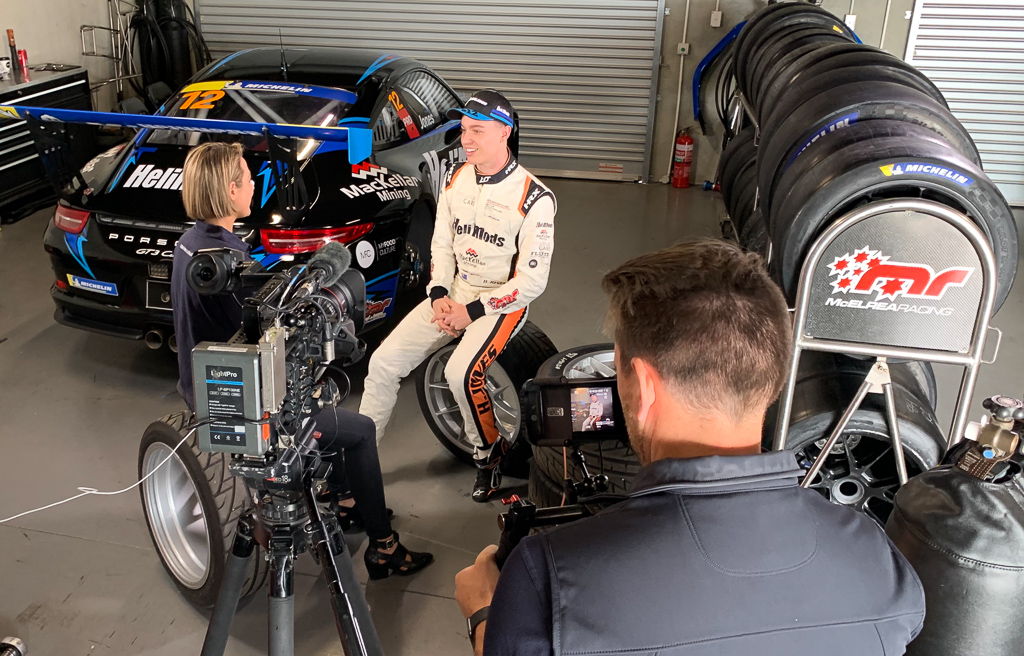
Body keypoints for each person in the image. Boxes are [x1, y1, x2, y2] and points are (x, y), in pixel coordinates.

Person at [455, 240, 925, 655]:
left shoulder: (548, 578)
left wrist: (484, 615)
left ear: (644, 385)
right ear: (774, 377)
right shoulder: (874, 553)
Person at [171, 140, 432, 579]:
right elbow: (260, 338)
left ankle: (346, 500)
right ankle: (383, 547)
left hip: (202, 388)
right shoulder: (228, 260)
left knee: (325, 408)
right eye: (247, 179)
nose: (253, 185)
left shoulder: (193, 246)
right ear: (230, 191)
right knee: (360, 431)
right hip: (242, 406)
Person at [359, 90, 556, 502]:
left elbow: (532, 282)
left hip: (501, 303)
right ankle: (359, 460)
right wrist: (437, 294)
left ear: (504, 132)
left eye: (477, 131)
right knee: (382, 363)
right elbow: (442, 244)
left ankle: (488, 455)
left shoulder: (534, 197)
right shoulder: (454, 177)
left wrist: (472, 311)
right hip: (454, 292)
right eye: (464, 129)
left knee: (460, 374)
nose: (466, 139)